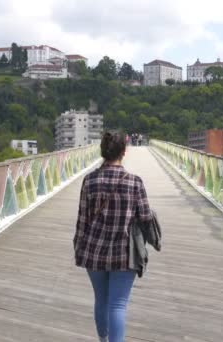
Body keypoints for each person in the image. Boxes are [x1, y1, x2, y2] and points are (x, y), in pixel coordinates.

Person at [74, 132, 153, 342]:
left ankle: (103, 338)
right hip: (124, 254)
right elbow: (145, 217)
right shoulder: (135, 182)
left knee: (101, 300)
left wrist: (78, 248)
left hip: (94, 252)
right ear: (123, 152)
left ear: (103, 152)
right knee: (118, 305)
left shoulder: (89, 181)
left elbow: (82, 219)